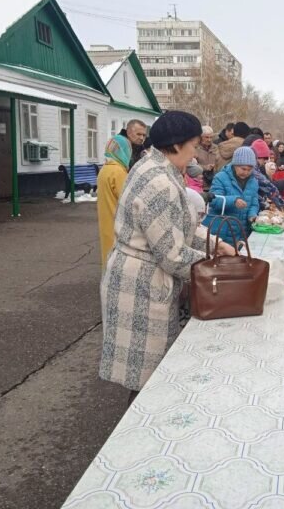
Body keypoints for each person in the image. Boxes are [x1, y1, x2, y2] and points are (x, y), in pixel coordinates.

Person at [100, 111, 235, 400]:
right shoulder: (158, 182)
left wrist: (215, 243)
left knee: (149, 373)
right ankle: (138, 439)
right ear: (175, 144)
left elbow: (179, 226)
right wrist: (220, 270)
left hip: (146, 279)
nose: (195, 153)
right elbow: (173, 254)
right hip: (141, 285)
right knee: (147, 381)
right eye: (193, 145)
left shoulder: (160, 168)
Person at [203, 146, 260, 245]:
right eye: (243, 169)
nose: (246, 172)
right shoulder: (220, 178)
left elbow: (254, 203)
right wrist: (233, 201)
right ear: (234, 165)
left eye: (249, 169)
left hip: (243, 232)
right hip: (222, 232)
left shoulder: (254, 182)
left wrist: (252, 215)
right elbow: (214, 200)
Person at [96, 135, 132, 267]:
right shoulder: (118, 172)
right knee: (117, 260)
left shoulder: (105, 169)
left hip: (107, 221)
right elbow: (128, 200)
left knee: (108, 254)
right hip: (117, 223)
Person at [250, 139, 284, 210]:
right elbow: (268, 186)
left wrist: (264, 204)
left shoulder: (256, 166)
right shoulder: (252, 167)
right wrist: (281, 204)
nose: (266, 161)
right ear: (257, 156)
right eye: (265, 158)